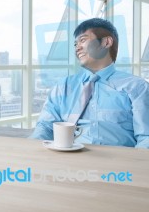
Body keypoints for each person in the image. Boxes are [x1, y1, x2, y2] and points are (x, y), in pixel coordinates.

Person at [30, 17, 149, 148]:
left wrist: (136, 166)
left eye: (83, 40)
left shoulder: (137, 87)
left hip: (117, 163)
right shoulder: (63, 86)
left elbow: (146, 137)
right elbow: (45, 127)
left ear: (106, 42)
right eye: (75, 44)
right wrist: (29, 150)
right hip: (66, 159)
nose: (77, 48)